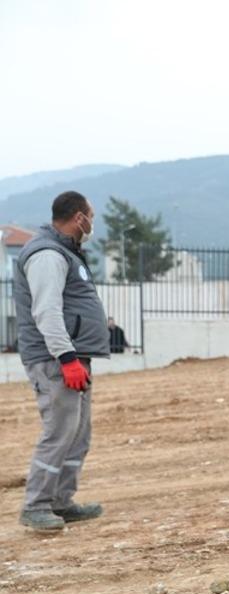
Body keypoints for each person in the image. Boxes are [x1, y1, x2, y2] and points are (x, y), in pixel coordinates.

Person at [13, 191, 109, 530]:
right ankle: (36, 505)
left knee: (77, 434)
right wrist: (66, 358)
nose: (92, 223)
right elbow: (47, 311)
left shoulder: (66, 252)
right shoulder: (48, 255)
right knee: (59, 432)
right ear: (79, 218)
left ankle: (60, 501)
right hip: (55, 360)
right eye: (91, 216)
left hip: (73, 358)